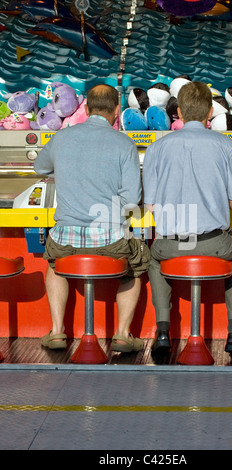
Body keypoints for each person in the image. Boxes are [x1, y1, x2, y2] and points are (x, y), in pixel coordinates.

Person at [34, 84, 150, 352]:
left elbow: (40, 166)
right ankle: (122, 335)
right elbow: (132, 199)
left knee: (54, 264)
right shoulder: (124, 143)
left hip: (65, 238)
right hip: (110, 239)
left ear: (85, 109)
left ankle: (58, 332)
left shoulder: (62, 137)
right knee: (134, 267)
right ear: (117, 110)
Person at [143, 81, 232, 358]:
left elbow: (152, 207)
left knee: (154, 259)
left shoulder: (157, 147)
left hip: (170, 244)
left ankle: (163, 332)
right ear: (211, 111)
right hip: (214, 244)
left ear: (178, 111)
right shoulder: (226, 145)